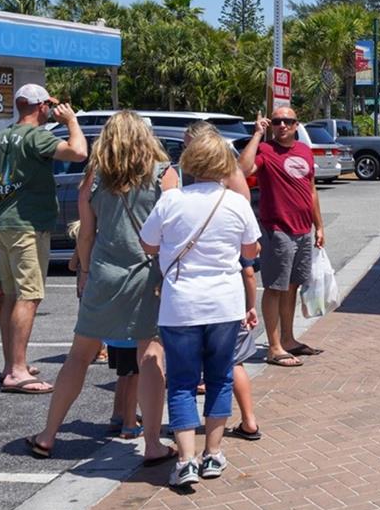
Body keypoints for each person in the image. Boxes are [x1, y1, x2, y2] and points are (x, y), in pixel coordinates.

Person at [25, 110, 176, 465]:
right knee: (150, 355)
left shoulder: (94, 177)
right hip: (148, 274)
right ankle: (152, 442)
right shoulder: (163, 174)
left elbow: (86, 233)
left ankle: (48, 435)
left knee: (79, 356)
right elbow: (173, 228)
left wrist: (85, 271)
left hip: (104, 273)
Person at [139, 132, 261, 489]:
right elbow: (251, 251)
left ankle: (185, 459)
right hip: (224, 302)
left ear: (189, 162)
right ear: (223, 163)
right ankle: (213, 453)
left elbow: (148, 244)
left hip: (180, 305)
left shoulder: (171, 200)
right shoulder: (236, 203)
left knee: (181, 382)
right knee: (220, 376)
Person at [0, 83, 87, 395]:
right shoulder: (37, 137)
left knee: (11, 295)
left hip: (3, 224)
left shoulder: (1, 138)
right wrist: (72, 122)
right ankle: (18, 371)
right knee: (29, 295)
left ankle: (12, 364)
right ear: (39, 107)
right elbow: (78, 153)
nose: (52, 108)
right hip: (27, 226)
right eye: (49, 103)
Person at [181, 122, 261, 441]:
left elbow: (245, 220)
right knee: (223, 357)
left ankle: (248, 419)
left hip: (223, 264)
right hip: (219, 265)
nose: (185, 148)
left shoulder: (222, 171)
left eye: (189, 141)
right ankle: (245, 421)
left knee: (229, 358)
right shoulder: (214, 169)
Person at [237, 106, 326, 368]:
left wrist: (318, 226)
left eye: (288, 121)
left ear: (297, 125)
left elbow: (311, 191)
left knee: (292, 286)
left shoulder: (304, 151)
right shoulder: (266, 150)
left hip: (302, 230)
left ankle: (288, 339)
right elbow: (242, 169)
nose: (282, 125)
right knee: (275, 287)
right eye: (277, 121)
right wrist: (257, 134)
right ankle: (273, 347)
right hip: (278, 230)